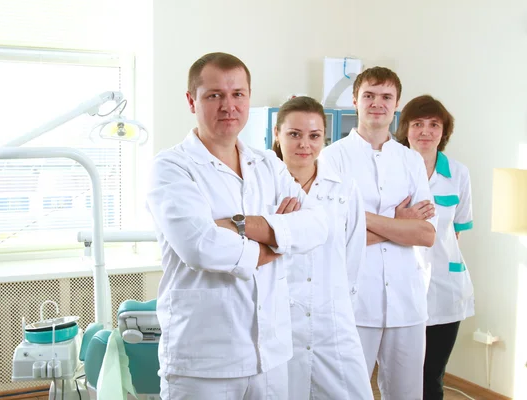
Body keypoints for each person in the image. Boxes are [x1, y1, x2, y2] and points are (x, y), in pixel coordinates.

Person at [146, 52, 330, 400]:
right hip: (204, 361)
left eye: (238, 94)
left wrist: (240, 225)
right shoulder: (172, 167)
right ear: (192, 101)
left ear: (248, 97)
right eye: (214, 95)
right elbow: (200, 246)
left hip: (270, 354)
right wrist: (277, 241)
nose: (228, 105)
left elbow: (317, 224)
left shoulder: (267, 164)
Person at [320, 66, 437, 400]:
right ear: (355, 100)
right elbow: (334, 235)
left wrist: (362, 220)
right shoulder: (332, 159)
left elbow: (426, 234)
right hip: (355, 302)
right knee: (347, 393)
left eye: (386, 97)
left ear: (396, 104)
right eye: (369, 95)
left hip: (407, 302)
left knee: (407, 394)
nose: (377, 103)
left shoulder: (411, 161)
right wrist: (401, 223)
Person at [272, 96, 373, 399]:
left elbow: (354, 251)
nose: (305, 144)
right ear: (277, 134)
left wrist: (340, 302)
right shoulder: (263, 185)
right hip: (280, 318)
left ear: (324, 138)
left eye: (314, 136)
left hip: (332, 318)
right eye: (294, 134)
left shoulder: (342, 188)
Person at [395, 95, 474, 400]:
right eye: (417, 124)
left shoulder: (458, 173)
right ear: (406, 129)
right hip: (400, 286)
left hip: (445, 289)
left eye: (434, 125)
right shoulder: (393, 169)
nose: (425, 131)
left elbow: (456, 232)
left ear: (444, 131)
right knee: (401, 376)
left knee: (432, 378)